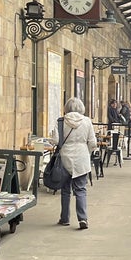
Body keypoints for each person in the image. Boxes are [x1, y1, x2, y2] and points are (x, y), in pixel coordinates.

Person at [54, 97, 98, 229]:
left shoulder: (61, 121)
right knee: (80, 189)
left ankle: (65, 218)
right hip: (81, 157)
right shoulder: (87, 121)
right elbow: (93, 142)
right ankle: (82, 218)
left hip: (65, 157)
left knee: (65, 189)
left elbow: (56, 140)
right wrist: (88, 152)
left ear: (67, 108)